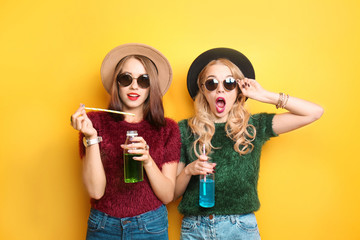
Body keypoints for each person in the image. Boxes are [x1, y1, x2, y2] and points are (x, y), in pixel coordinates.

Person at [174, 48, 324, 239]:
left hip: (240, 229)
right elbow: (173, 194)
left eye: (229, 83)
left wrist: (265, 96)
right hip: (195, 229)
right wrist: (189, 170)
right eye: (212, 83)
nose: (220, 89)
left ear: (238, 90)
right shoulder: (184, 130)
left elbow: (314, 112)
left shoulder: (253, 127)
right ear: (203, 90)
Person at [70, 43, 180, 240]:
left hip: (150, 226)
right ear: (117, 84)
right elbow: (96, 191)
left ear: (151, 86)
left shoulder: (167, 128)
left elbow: (167, 195)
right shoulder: (94, 123)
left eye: (143, 80)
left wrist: (147, 161)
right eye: (126, 78)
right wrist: (91, 137)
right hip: (103, 227)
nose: (134, 86)